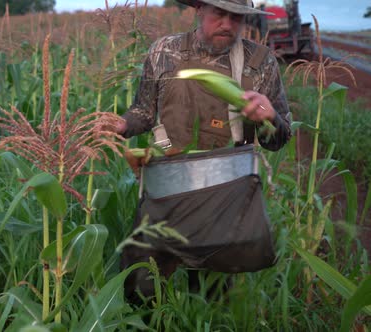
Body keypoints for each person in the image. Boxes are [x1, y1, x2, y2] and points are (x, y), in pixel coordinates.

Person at [116, 0, 292, 303]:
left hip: (223, 197)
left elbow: (279, 138)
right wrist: (121, 125)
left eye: (236, 17)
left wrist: (269, 119)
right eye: (219, 14)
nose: (227, 23)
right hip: (165, 191)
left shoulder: (260, 63)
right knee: (141, 287)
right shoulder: (164, 52)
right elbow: (143, 112)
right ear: (200, 10)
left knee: (211, 294)